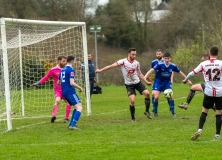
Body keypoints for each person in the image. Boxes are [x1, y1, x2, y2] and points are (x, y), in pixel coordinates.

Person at [96, 48, 152, 122]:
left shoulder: (136, 63)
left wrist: (146, 81)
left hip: (138, 83)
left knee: (147, 94)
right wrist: (101, 70)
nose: (134, 56)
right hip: (129, 85)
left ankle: (147, 111)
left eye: (135, 54)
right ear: (128, 54)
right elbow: (111, 66)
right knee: (132, 101)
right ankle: (133, 118)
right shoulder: (123, 62)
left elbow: (140, 74)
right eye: (133, 54)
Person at [183, 46, 222, 141]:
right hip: (219, 92)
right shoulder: (221, 63)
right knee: (219, 113)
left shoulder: (204, 64)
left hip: (208, 92)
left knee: (204, 111)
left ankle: (200, 129)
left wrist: (186, 79)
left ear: (209, 53)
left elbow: (192, 73)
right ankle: (217, 135)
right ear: (217, 54)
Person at [145, 52, 192, 117]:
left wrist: (188, 80)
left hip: (167, 83)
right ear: (163, 58)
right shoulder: (159, 64)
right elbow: (151, 70)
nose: (167, 60)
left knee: (170, 97)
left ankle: (173, 112)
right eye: (165, 58)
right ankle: (155, 112)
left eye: (168, 58)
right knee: (156, 97)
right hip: (158, 82)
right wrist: (145, 78)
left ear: (170, 59)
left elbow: (180, 73)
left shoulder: (173, 66)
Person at [32, 56, 71, 123]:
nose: (65, 63)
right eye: (63, 61)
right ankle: (53, 116)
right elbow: (46, 77)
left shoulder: (67, 69)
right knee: (57, 101)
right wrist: (38, 83)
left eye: (65, 61)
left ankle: (66, 118)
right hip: (58, 90)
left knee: (69, 103)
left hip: (66, 90)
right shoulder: (53, 70)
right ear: (59, 61)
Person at [59, 55, 83, 130]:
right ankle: (72, 125)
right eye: (74, 60)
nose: (75, 62)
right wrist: (79, 87)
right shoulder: (70, 70)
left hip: (64, 92)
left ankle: (71, 124)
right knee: (79, 108)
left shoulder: (62, 70)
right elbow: (72, 83)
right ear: (72, 61)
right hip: (70, 91)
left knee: (77, 105)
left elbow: (59, 82)